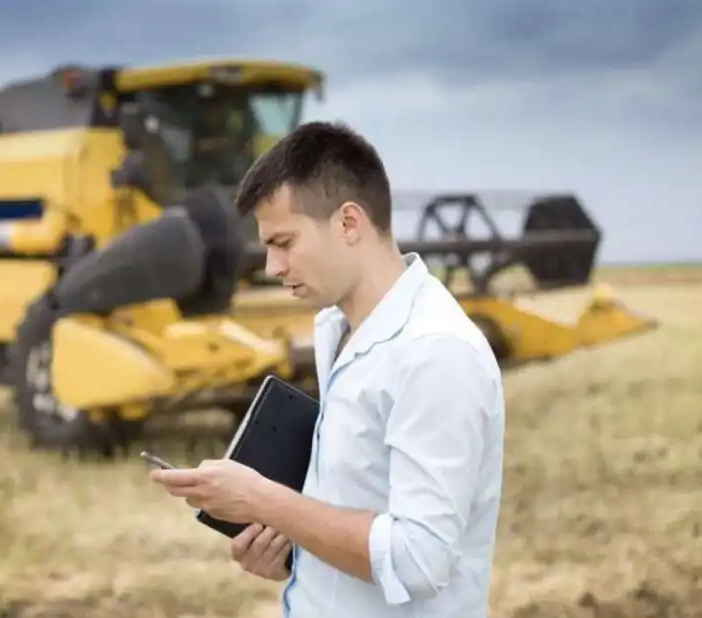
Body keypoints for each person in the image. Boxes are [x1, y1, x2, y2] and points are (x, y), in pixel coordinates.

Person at [150, 120, 505, 617]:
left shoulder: (435, 352)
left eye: (284, 242)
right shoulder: (339, 333)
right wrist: (293, 553)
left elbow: (417, 562)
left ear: (348, 224)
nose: (272, 267)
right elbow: (359, 514)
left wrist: (263, 501)